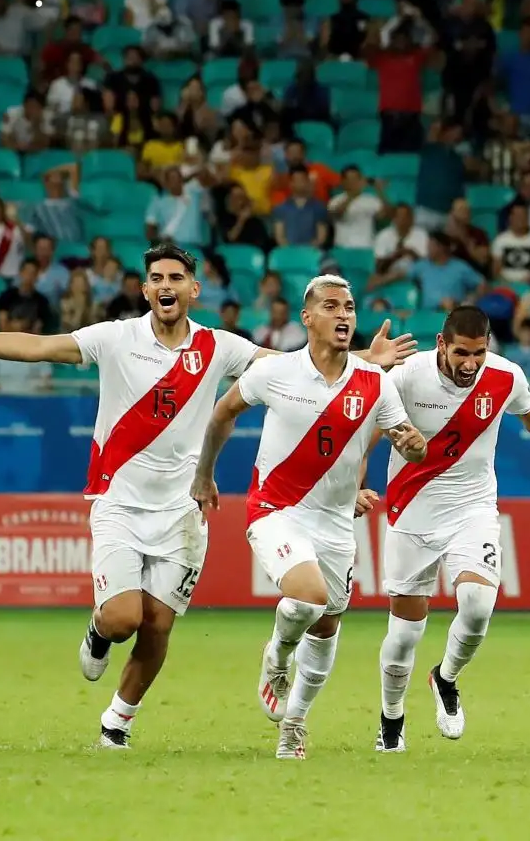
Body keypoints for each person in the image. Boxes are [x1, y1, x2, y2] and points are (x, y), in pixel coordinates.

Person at [0, 243, 413, 750]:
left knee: (157, 627)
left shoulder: (220, 347)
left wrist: (362, 361)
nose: (167, 285)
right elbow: (41, 346)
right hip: (119, 502)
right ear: (145, 289)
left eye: (177, 277)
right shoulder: (115, 338)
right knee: (123, 618)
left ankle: (117, 721)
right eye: (157, 277)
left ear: (194, 290)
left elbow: (297, 365)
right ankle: (98, 628)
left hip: (182, 512)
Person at [190, 274, 428, 760]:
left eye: (350, 307)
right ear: (308, 317)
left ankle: (294, 725)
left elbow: (409, 441)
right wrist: (203, 475)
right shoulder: (276, 372)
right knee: (308, 598)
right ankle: (276, 654)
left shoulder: (375, 384)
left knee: (325, 625)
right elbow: (222, 414)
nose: (344, 315)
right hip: (275, 510)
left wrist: (415, 445)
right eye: (332, 306)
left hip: (337, 522)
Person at [375, 305, 530, 752]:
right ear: (442, 344)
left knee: (476, 607)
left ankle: (446, 678)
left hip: (471, 509)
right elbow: (367, 430)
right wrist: (356, 484)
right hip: (410, 511)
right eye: (461, 353)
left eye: (479, 352)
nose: (471, 364)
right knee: (402, 638)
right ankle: (391, 723)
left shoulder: (505, 377)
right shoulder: (406, 376)